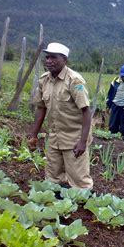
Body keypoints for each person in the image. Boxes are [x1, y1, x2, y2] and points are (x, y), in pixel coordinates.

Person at [28, 43, 93, 189]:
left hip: (74, 138)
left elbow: (86, 111)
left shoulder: (75, 81)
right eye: (47, 57)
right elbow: (40, 108)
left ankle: (83, 207)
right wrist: (33, 135)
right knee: (53, 176)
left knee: (79, 179)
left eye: (54, 57)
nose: (49, 61)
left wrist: (83, 141)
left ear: (64, 60)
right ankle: (56, 205)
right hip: (54, 136)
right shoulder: (44, 80)